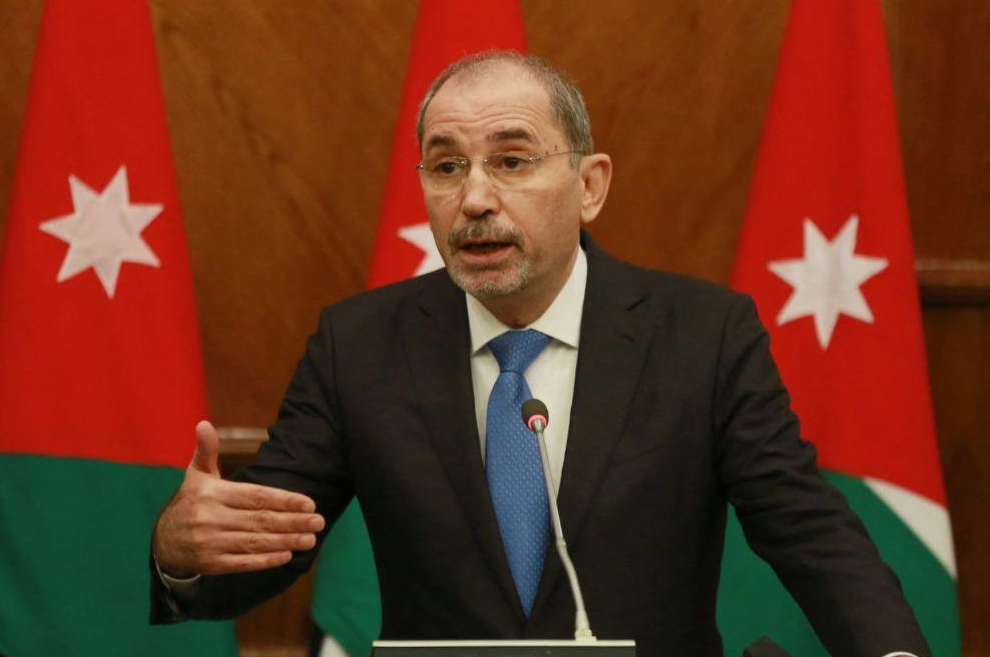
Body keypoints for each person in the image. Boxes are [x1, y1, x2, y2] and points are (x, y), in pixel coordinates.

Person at [151, 51, 930, 657]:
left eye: (512, 161)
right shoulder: (358, 345)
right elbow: (267, 538)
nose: (474, 198)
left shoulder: (702, 335)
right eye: (446, 166)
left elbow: (806, 527)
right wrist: (179, 552)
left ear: (590, 184)